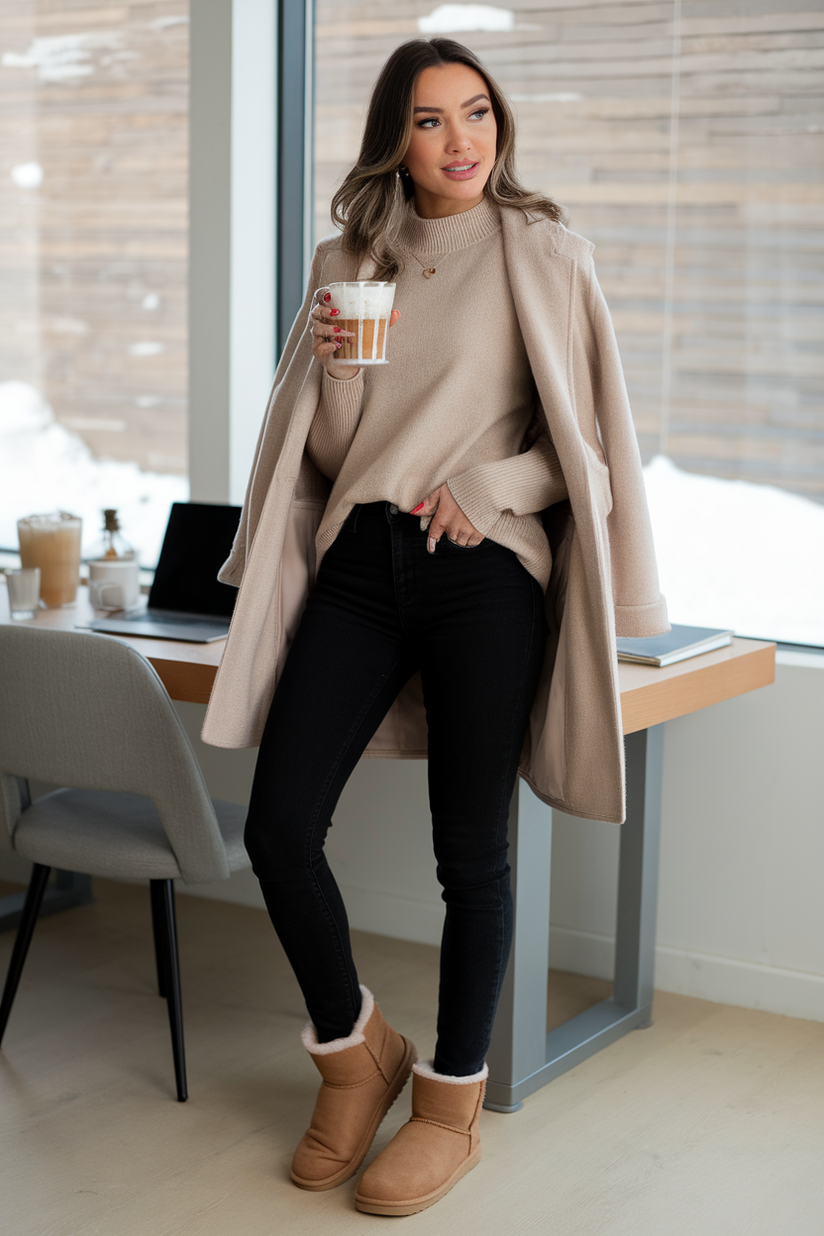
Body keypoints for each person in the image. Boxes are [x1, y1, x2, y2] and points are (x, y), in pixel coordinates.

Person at [201, 38, 669, 1217]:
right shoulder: (348, 260)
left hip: (481, 570)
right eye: (428, 121)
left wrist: (492, 491)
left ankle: (451, 1105)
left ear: (498, 125)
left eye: (475, 114)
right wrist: (339, 369)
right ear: (392, 139)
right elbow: (330, 455)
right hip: (360, 565)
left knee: (470, 852)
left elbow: (589, 451)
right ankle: (355, 1050)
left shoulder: (543, 254)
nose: (460, 141)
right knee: (277, 825)